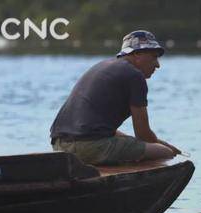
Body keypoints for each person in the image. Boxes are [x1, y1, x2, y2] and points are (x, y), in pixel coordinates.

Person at [49, 30, 181, 165]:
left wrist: (148, 143)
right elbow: (143, 134)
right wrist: (166, 147)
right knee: (164, 153)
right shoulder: (134, 75)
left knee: (141, 146)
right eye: (154, 57)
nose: (157, 64)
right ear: (137, 54)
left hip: (60, 146)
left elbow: (96, 128)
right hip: (87, 147)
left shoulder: (103, 66)